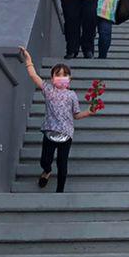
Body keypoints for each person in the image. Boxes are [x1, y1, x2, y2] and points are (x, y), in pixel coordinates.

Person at [19, 49, 94, 192]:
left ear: (69, 79)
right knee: (45, 160)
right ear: (52, 78)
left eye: (65, 75)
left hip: (66, 134)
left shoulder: (72, 95)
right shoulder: (48, 89)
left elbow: (76, 115)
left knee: (62, 163)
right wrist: (28, 61)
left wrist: (89, 112)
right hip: (49, 131)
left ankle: (60, 191)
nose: (61, 77)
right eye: (58, 74)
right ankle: (46, 171)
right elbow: (34, 76)